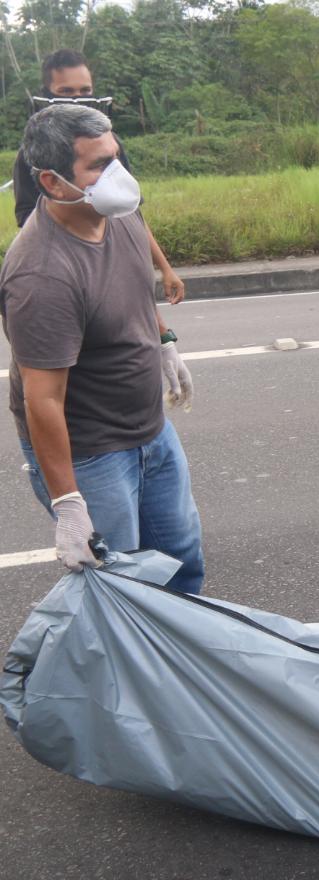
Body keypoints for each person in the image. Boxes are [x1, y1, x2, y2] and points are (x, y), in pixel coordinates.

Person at [1, 104, 204, 593]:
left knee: (181, 565)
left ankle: (175, 666)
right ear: (52, 183)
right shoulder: (43, 275)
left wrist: (163, 341)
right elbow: (41, 399)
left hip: (150, 430)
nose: (117, 173)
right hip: (93, 455)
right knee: (120, 589)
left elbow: (132, 288)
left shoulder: (119, 215)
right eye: (98, 164)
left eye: (114, 157)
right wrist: (69, 504)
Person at [12, 49, 187, 308]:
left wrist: (164, 268)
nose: (78, 99)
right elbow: (29, 221)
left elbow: (132, 211)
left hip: (120, 267)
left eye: (85, 91)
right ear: (48, 93)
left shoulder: (110, 143)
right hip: (77, 274)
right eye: (67, 92)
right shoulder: (34, 154)